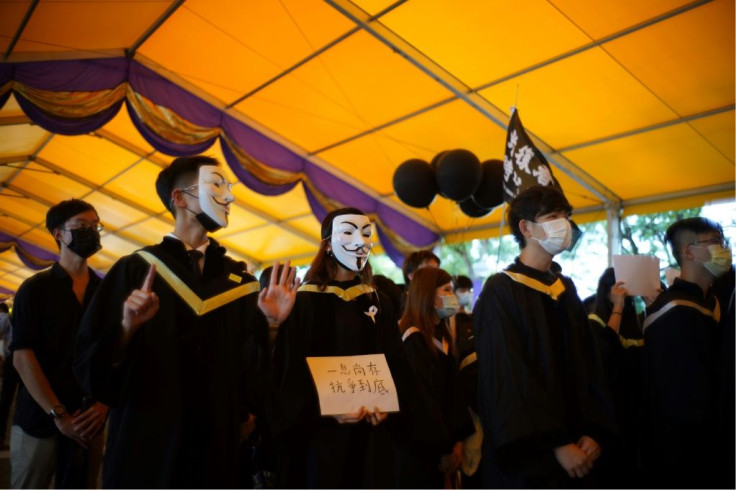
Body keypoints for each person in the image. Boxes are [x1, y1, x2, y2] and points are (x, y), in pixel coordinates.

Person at [73, 156, 299, 488]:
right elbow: (90, 370)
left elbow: (252, 370)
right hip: (149, 442)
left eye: (229, 187)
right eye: (217, 185)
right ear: (178, 198)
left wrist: (271, 324)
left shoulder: (238, 280)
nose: (230, 197)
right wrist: (127, 327)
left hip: (217, 446)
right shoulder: (135, 269)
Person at [473, 185, 614, 488]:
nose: (564, 224)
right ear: (526, 227)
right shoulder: (501, 290)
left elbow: (590, 366)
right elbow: (509, 378)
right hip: (534, 461)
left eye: (566, 216)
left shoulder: (566, 287)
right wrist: (557, 444)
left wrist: (594, 430)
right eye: (552, 216)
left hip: (581, 448)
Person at [269, 207, 415, 488]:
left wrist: (389, 405)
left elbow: (397, 365)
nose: (360, 241)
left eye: (366, 233)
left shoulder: (379, 302)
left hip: (371, 437)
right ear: (326, 245)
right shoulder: (302, 302)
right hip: (318, 439)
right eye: (348, 232)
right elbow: (288, 375)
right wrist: (321, 409)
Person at [9, 199, 108, 488]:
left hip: (90, 421)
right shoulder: (35, 289)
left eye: (94, 226)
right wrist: (59, 414)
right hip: (40, 421)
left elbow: (112, 353)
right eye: (80, 226)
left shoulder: (104, 292)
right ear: (58, 234)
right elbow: (22, 357)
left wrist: (103, 406)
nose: (90, 231)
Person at [641, 217, 732, 488]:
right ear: (688, 251)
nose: (723, 249)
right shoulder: (673, 312)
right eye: (714, 242)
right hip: (688, 460)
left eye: (722, 241)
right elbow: (683, 403)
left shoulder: (715, 302)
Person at [397, 267, 475, 489]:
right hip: (421, 452)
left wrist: (457, 442)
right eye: (447, 290)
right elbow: (422, 402)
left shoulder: (440, 336)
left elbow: (453, 396)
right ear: (427, 294)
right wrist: (443, 448)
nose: (453, 297)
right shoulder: (413, 339)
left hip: (446, 446)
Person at [587, 267, 644, 487]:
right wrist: (617, 308)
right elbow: (605, 354)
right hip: (610, 418)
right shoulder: (595, 322)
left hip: (636, 416)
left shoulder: (636, 324)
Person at [0, 302, 18, 449]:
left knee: (6, 399)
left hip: (12, 359)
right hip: (29, 360)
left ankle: (1, 436)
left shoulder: (7, 317)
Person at [453, 275, 475, 355]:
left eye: (469, 290)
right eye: (462, 290)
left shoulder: (473, 317)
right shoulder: (450, 319)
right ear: (453, 293)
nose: (467, 293)